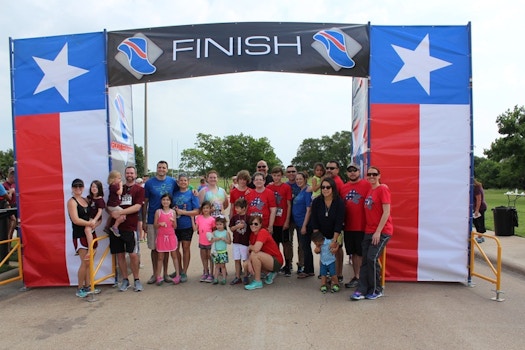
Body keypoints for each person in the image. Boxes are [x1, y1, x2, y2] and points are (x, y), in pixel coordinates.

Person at [351, 166, 393, 301]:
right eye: (369, 174)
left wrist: (378, 232)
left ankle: (376, 289)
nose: (371, 176)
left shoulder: (383, 189)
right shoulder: (370, 190)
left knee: (372, 258)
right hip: (369, 231)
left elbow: (386, 212)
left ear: (379, 175)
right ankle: (362, 289)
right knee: (365, 260)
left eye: (374, 174)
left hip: (381, 231)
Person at [109, 166, 145, 292]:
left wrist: (121, 212)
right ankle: (125, 279)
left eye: (131, 172)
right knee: (120, 255)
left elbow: (136, 207)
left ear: (135, 174)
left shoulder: (139, 189)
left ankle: (136, 279)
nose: (129, 174)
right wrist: (112, 212)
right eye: (127, 172)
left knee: (133, 255)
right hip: (116, 228)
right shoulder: (118, 187)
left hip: (130, 227)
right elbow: (110, 203)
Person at [143, 161, 180, 285]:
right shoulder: (149, 183)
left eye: (164, 167)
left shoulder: (172, 182)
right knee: (155, 249)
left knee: (166, 249)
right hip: (153, 219)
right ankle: (155, 274)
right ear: (156, 169)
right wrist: (143, 220)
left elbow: (180, 191)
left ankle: (165, 274)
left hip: (168, 221)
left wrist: (194, 191)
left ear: (167, 169)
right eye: (159, 167)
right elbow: (145, 202)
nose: (161, 169)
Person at [340, 163, 372, 289]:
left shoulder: (367, 185)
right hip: (348, 226)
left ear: (359, 171)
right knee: (353, 253)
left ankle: (363, 277)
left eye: (355, 170)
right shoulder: (343, 187)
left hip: (363, 226)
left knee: (362, 253)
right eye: (349, 171)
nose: (352, 173)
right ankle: (357, 276)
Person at [310, 177, 345, 290]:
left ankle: (337, 275)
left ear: (333, 188)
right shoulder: (316, 201)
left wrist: (335, 241)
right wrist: (318, 242)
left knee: (336, 251)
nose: (325, 189)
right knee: (323, 253)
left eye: (328, 187)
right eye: (323, 187)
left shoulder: (339, 202)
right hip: (321, 233)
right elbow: (314, 221)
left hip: (336, 232)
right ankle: (324, 277)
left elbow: (339, 223)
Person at [67, 178, 97, 298]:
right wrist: (90, 223)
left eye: (80, 186)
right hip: (80, 235)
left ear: (84, 187)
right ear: (72, 188)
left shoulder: (85, 199)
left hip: (90, 233)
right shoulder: (71, 202)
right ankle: (79, 288)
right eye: (75, 186)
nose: (78, 188)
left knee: (89, 263)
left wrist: (94, 222)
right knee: (85, 262)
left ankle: (88, 286)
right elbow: (75, 220)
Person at [244, 215, 284, 290]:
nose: (253, 225)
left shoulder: (263, 232)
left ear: (260, 224)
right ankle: (269, 274)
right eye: (251, 223)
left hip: (276, 260)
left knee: (255, 254)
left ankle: (257, 281)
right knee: (246, 264)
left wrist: (249, 247)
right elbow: (251, 252)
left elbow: (255, 249)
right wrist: (249, 263)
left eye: (256, 224)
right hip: (267, 258)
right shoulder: (252, 235)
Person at [172, 174, 200, 282]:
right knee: (174, 249)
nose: (183, 182)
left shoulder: (192, 194)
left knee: (185, 248)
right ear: (178, 182)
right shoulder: (174, 193)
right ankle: (178, 269)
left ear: (188, 182)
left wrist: (183, 212)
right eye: (181, 180)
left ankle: (184, 272)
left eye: (185, 180)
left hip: (186, 225)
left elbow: (197, 211)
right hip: (174, 225)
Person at [266, 166, 293, 276]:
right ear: (271, 176)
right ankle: (277, 265)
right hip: (273, 222)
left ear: (282, 176)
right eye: (274, 175)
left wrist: (287, 221)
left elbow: (288, 205)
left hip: (283, 221)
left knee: (286, 244)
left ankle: (288, 265)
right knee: (274, 245)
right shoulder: (269, 187)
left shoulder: (286, 187)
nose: (276, 177)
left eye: (278, 175)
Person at [153, 193, 181, 285]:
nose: (165, 201)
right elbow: (155, 225)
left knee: (174, 256)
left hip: (171, 236)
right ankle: (158, 276)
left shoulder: (173, 212)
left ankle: (177, 275)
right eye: (164, 199)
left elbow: (175, 226)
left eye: (167, 200)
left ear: (170, 201)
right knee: (160, 257)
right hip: (161, 237)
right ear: (161, 201)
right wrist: (159, 224)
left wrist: (173, 222)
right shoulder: (158, 212)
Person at [325, 160, 345, 281]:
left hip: (337, 221)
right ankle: (332, 273)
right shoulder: (329, 181)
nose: (329, 170)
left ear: (337, 170)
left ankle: (338, 274)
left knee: (337, 247)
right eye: (327, 168)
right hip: (329, 221)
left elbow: (341, 203)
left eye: (332, 168)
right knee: (330, 247)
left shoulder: (338, 183)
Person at [293, 171, 315, 279]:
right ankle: (309, 269)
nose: (298, 181)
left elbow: (309, 209)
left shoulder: (307, 191)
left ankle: (308, 270)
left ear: (305, 179)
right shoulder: (301, 190)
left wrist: (304, 225)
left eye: (300, 179)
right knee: (304, 246)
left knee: (306, 247)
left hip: (303, 223)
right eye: (297, 179)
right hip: (298, 222)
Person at [229, 198, 250, 285]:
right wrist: (237, 226)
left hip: (245, 242)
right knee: (237, 259)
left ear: (244, 208)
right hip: (236, 242)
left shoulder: (248, 218)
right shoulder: (234, 218)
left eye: (238, 208)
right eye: (236, 208)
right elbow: (231, 228)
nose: (236, 209)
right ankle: (237, 277)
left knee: (245, 260)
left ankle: (246, 275)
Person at [285, 164, 302, 273]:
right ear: (286, 174)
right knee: (288, 242)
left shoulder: (302, 185)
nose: (291, 173)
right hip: (288, 218)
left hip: (300, 218)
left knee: (302, 243)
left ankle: (301, 264)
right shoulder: (284, 185)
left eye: (293, 171)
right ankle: (288, 264)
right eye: (289, 171)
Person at [195, 200, 216, 283]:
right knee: (203, 257)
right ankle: (205, 271)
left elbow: (214, 230)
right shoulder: (199, 218)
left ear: (210, 209)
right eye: (204, 208)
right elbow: (196, 228)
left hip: (209, 242)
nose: (205, 210)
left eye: (207, 208)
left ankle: (211, 273)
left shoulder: (212, 219)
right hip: (202, 241)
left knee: (210, 257)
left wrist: (212, 236)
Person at [86, 180, 106, 261]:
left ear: (99, 189)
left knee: (88, 230)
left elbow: (100, 212)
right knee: (88, 231)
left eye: (96, 187)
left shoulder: (100, 200)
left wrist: (94, 220)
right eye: (92, 186)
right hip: (89, 218)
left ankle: (90, 250)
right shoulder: (89, 198)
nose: (94, 188)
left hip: (96, 219)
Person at [209, 215, 231, 285]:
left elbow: (229, 242)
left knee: (223, 266)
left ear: (224, 224)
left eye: (220, 224)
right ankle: (215, 278)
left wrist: (225, 239)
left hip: (223, 252)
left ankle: (224, 278)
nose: (219, 226)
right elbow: (210, 240)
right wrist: (215, 239)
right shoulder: (214, 232)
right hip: (216, 252)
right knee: (217, 266)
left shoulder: (226, 232)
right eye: (217, 224)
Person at [105, 170, 126, 237]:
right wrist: (121, 186)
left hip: (111, 205)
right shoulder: (113, 186)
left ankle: (107, 226)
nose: (120, 180)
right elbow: (119, 192)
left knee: (112, 215)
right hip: (113, 205)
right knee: (123, 214)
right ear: (114, 179)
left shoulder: (113, 186)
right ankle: (115, 226)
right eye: (119, 178)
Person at [3, 168, 17, 241]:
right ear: (11, 177)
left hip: (15, 207)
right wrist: (10, 192)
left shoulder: (14, 184)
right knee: (10, 228)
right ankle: (7, 247)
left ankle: (12, 245)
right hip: (9, 208)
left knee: (17, 225)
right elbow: (6, 199)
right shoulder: (4, 185)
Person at [473, 178, 487, 243]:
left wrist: (477, 210)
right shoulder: (477, 187)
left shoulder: (476, 188)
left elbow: (479, 200)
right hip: (477, 207)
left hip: (480, 207)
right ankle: (480, 235)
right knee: (475, 221)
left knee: (480, 222)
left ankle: (480, 237)